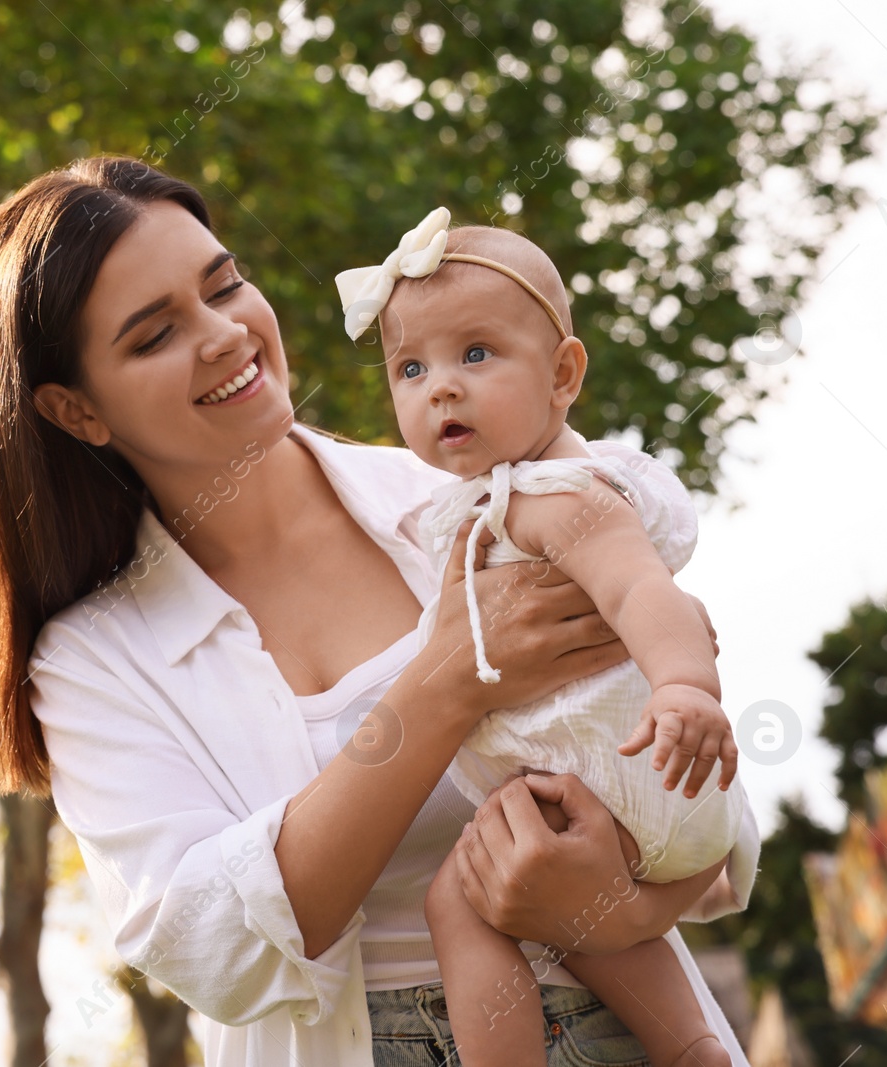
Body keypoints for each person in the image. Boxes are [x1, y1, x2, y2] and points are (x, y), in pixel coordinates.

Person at [0, 155, 759, 1066]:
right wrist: (444, 681)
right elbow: (214, 950)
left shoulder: (483, 499)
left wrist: (617, 906)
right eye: (153, 336)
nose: (222, 335)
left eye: (224, 286)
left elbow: (682, 780)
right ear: (76, 408)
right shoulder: (92, 660)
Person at [335, 208, 757, 1067]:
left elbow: (645, 590)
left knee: (461, 899)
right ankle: (692, 1048)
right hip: (636, 800)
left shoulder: (553, 495)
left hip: (624, 774)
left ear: (564, 374)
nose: (440, 387)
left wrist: (686, 687)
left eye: (475, 354)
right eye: (410, 367)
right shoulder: (499, 498)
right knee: (574, 916)